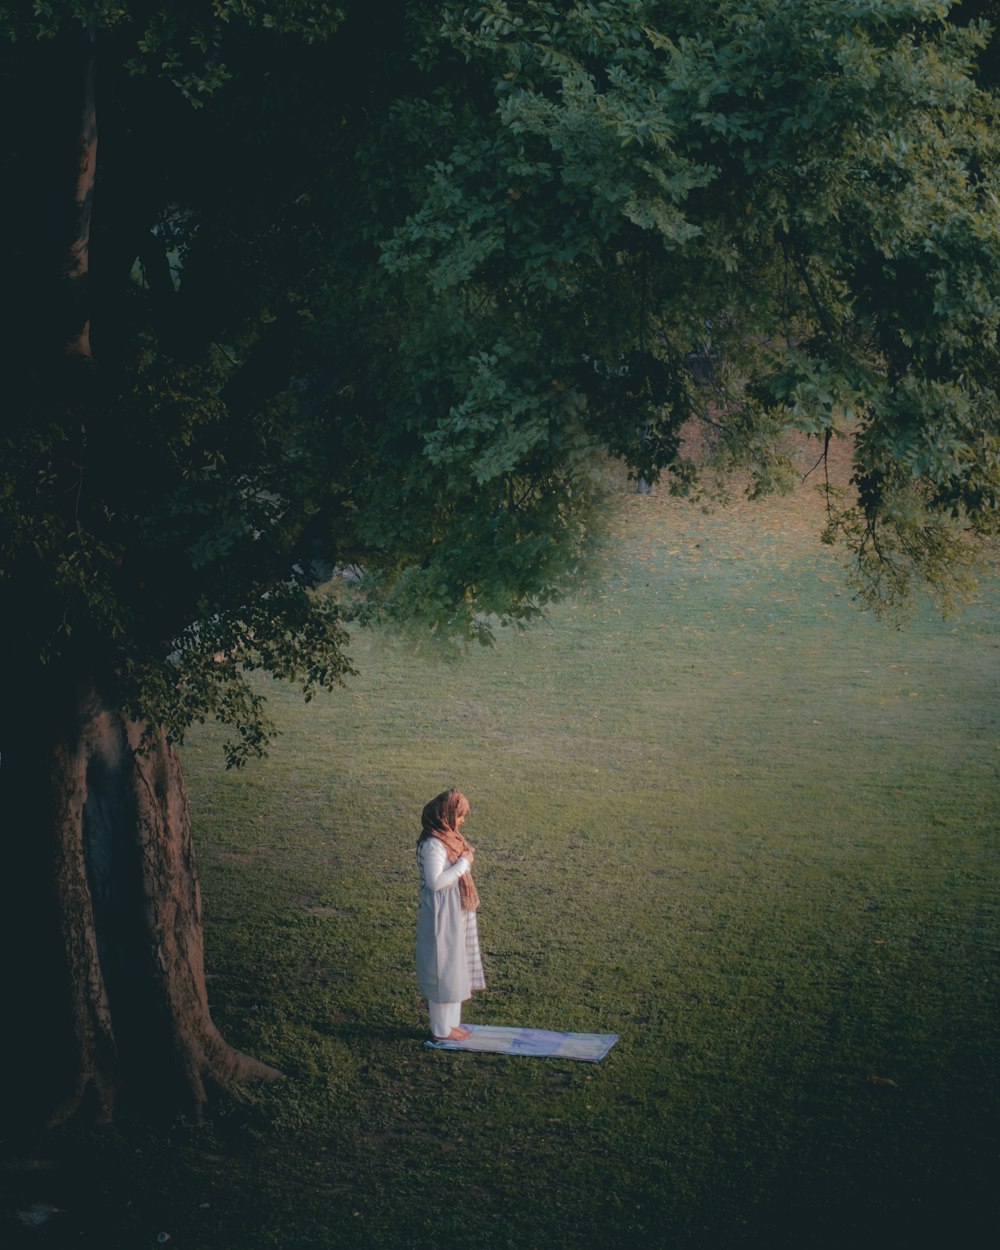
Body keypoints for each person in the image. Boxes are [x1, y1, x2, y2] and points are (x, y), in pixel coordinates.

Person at [415, 787, 485, 1040]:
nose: (463, 820)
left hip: (455, 909)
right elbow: (435, 882)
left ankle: (451, 1024)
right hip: (441, 913)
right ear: (445, 815)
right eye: (460, 815)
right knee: (442, 966)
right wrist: (463, 864)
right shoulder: (434, 844)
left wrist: (462, 861)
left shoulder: (448, 839)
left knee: (455, 964)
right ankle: (441, 1029)